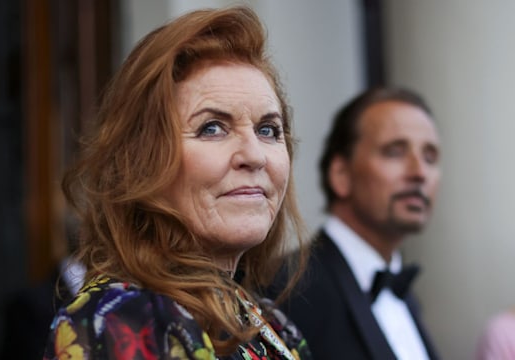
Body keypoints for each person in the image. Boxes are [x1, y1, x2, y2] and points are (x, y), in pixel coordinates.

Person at [41, 6, 313, 359]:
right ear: (141, 162)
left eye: (267, 130)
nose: (255, 155)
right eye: (212, 128)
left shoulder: (272, 325)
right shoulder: (123, 319)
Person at [270, 87, 441, 359]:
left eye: (430, 157)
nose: (420, 172)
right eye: (394, 151)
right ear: (341, 175)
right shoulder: (287, 289)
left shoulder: (406, 298)